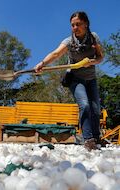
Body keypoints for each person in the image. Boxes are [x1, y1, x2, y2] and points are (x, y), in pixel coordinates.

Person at [34, 11, 104, 151]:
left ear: (86, 24)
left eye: (78, 24)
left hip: (91, 79)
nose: (75, 28)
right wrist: (42, 63)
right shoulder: (69, 41)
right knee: (84, 105)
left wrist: (91, 62)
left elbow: (100, 57)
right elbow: (55, 53)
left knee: (96, 109)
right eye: (72, 25)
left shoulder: (94, 38)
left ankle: (97, 138)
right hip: (75, 79)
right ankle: (88, 139)